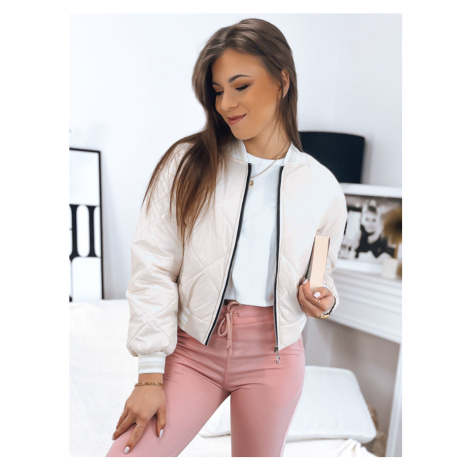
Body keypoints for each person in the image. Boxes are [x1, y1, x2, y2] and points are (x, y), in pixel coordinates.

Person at [106, 17, 348, 458]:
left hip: (274, 358)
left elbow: (322, 274)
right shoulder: (188, 163)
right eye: (218, 91)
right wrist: (149, 375)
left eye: (241, 86)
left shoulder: (323, 187)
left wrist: (323, 299)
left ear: (282, 81)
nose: (226, 104)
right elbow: (153, 266)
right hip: (192, 350)